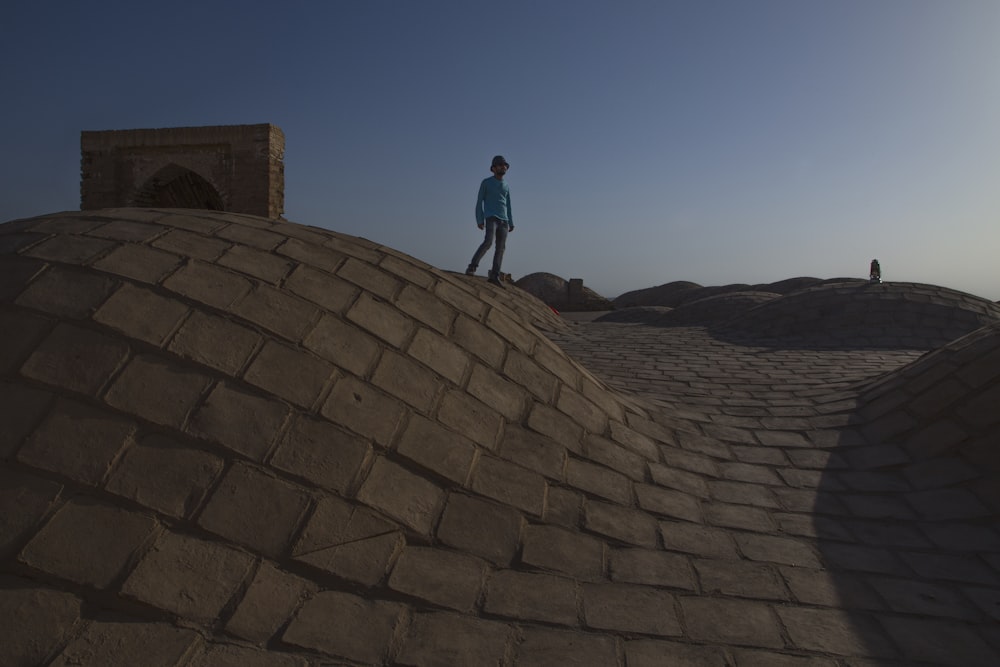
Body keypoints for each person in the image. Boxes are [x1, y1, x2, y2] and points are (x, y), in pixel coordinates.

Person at [466, 155, 514, 287]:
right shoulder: (486, 182)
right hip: (491, 217)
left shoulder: (506, 186)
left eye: (504, 165)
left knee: (501, 248)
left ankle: (495, 276)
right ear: (493, 168)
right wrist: (479, 219)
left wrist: (511, 221)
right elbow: (479, 201)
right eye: (499, 165)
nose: (502, 167)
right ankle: (472, 266)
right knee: (488, 241)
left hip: (504, 220)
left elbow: (508, 205)